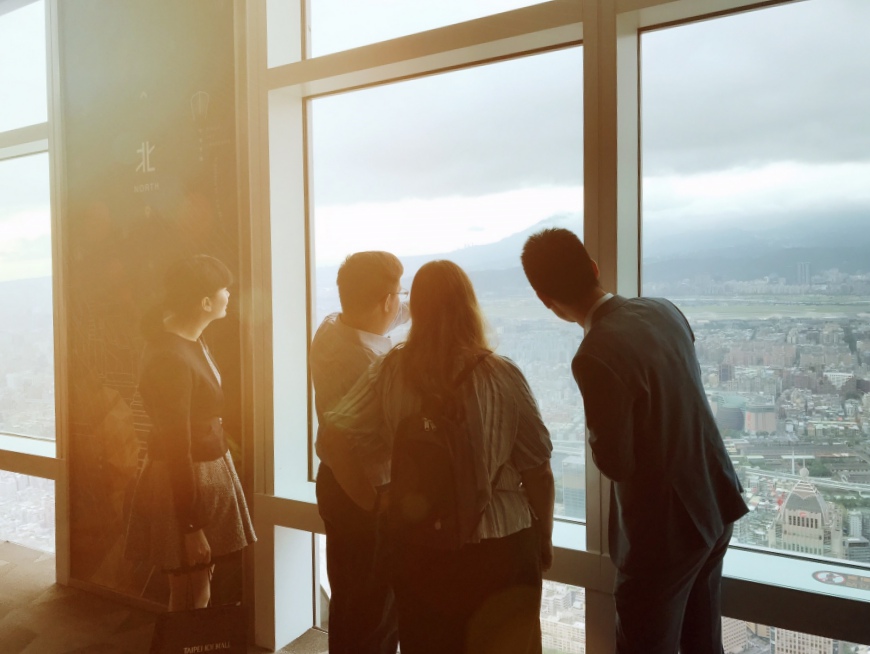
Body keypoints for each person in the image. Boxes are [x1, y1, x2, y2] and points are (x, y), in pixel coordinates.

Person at [520, 228, 748, 654]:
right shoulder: (664, 310)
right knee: (704, 643)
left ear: (545, 300)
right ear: (593, 268)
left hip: (663, 535)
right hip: (716, 502)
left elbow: (616, 462)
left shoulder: (595, 353)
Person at [317, 260, 554, 654]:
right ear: (470, 306)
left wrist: (374, 501)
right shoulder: (501, 374)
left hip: (421, 544)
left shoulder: (391, 368)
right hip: (502, 548)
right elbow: (539, 468)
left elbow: (333, 436)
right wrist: (542, 537)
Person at [125, 254, 256, 610]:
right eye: (224, 289)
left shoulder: (189, 339)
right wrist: (191, 527)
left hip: (203, 471)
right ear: (205, 302)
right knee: (191, 594)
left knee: (198, 585)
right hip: (184, 481)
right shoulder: (170, 356)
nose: (229, 294)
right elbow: (176, 449)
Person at [310, 251, 407, 654]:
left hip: (337, 486)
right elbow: (336, 442)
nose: (401, 304)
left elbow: (393, 314)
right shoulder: (368, 363)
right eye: (398, 296)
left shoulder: (331, 327)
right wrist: (374, 504)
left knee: (352, 604)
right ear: (386, 300)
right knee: (374, 615)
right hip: (364, 491)